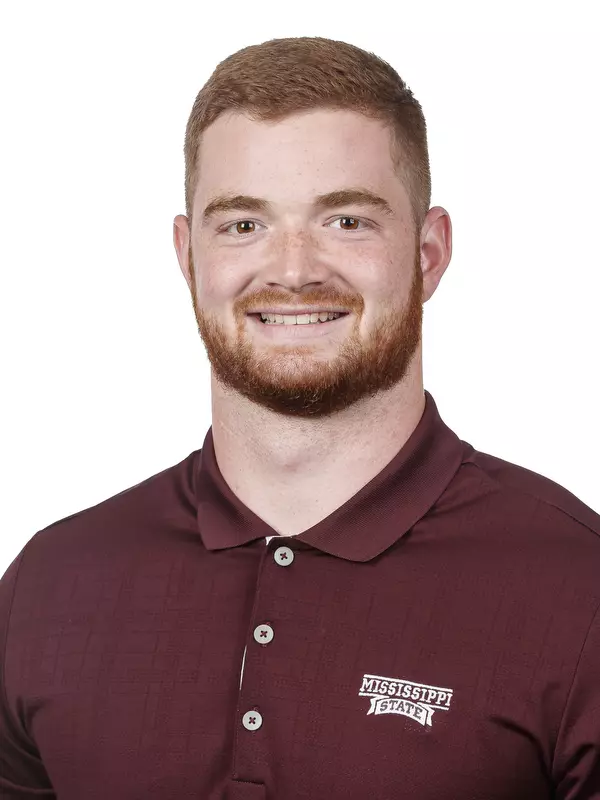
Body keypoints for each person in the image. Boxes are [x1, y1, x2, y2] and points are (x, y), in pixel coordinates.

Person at [0, 35, 598, 800]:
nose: (292, 270)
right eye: (243, 224)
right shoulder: (53, 584)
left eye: (346, 220)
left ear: (430, 252)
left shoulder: (578, 589)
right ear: (188, 257)